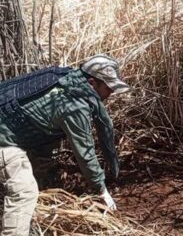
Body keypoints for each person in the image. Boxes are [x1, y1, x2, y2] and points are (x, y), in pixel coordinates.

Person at [0, 54, 129, 235]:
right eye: (109, 87)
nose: (112, 92)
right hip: (4, 140)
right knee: (24, 192)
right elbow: (85, 153)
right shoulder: (74, 106)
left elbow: (102, 120)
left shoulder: (66, 78)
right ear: (92, 83)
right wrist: (101, 191)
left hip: (8, 127)